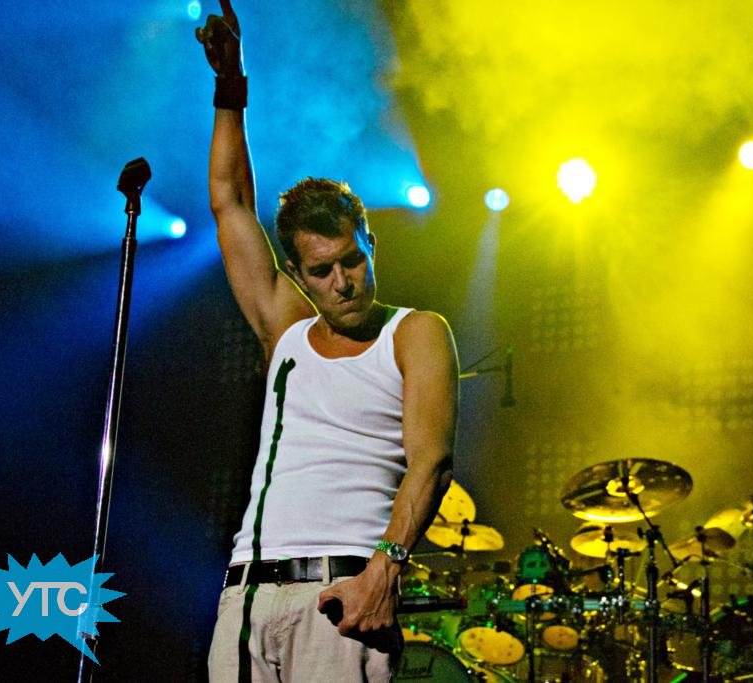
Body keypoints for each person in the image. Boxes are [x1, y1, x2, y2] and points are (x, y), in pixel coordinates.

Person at [196, 3, 459, 681]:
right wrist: (230, 85)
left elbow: (431, 463)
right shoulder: (286, 327)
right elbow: (229, 200)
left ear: (370, 242)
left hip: (345, 594)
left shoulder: (415, 332)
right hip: (248, 593)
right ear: (298, 273)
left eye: (352, 260)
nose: (342, 282)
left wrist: (384, 572)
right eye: (321, 271)